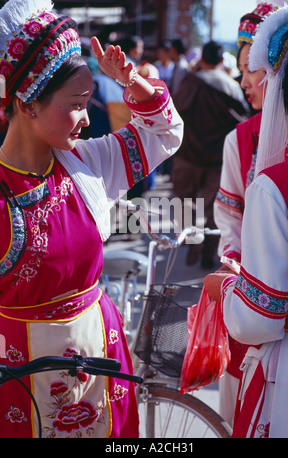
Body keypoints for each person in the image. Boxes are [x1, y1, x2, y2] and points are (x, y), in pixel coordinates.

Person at [0, 0, 183, 438]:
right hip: (23, 374)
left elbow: (165, 133)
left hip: (100, 352)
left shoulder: (88, 162)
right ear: (27, 105)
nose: (86, 119)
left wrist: (131, 80)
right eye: (77, 104)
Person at [204, 1, 288, 438]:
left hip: (271, 319)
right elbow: (230, 215)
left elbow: (260, 316)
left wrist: (230, 288)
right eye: (241, 69)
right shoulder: (240, 139)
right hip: (254, 286)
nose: (245, 82)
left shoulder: (279, 183)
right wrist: (236, 259)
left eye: (253, 69)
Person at [171, 40, 248, 269]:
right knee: (214, 208)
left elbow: (174, 112)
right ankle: (208, 252)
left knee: (185, 201)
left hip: (187, 156)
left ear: (202, 59)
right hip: (217, 159)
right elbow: (241, 119)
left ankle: (189, 241)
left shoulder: (191, 82)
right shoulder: (231, 86)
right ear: (222, 61)